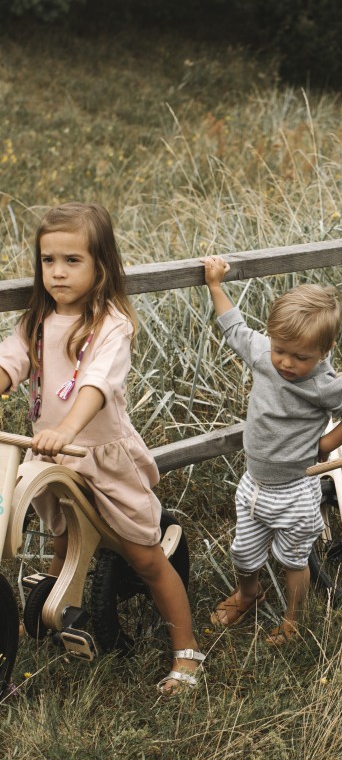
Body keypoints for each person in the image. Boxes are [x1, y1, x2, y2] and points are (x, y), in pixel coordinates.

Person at [0, 202, 204, 695]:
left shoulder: (110, 325)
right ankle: (44, 613)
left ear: (101, 267)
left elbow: (95, 385)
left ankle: (187, 651)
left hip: (99, 457)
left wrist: (68, 429)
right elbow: (11, 359)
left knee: (146, 556)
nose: (58, 272)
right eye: (48, 260)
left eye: (73, 260)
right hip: (50, 455)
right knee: (64, 539)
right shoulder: (38, 319)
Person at [202, 256, 342, 645]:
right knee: (243, 553)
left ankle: (294, 619)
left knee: (294, 559)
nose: (287, 363)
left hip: (295, 489)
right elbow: (234, 327)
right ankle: (249, 593)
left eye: (301, 357)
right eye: (281, 350)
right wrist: (215, 285)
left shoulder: (327, 384)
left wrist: (323, 446)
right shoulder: (264, 355)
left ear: (324, 351)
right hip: (254, 483)